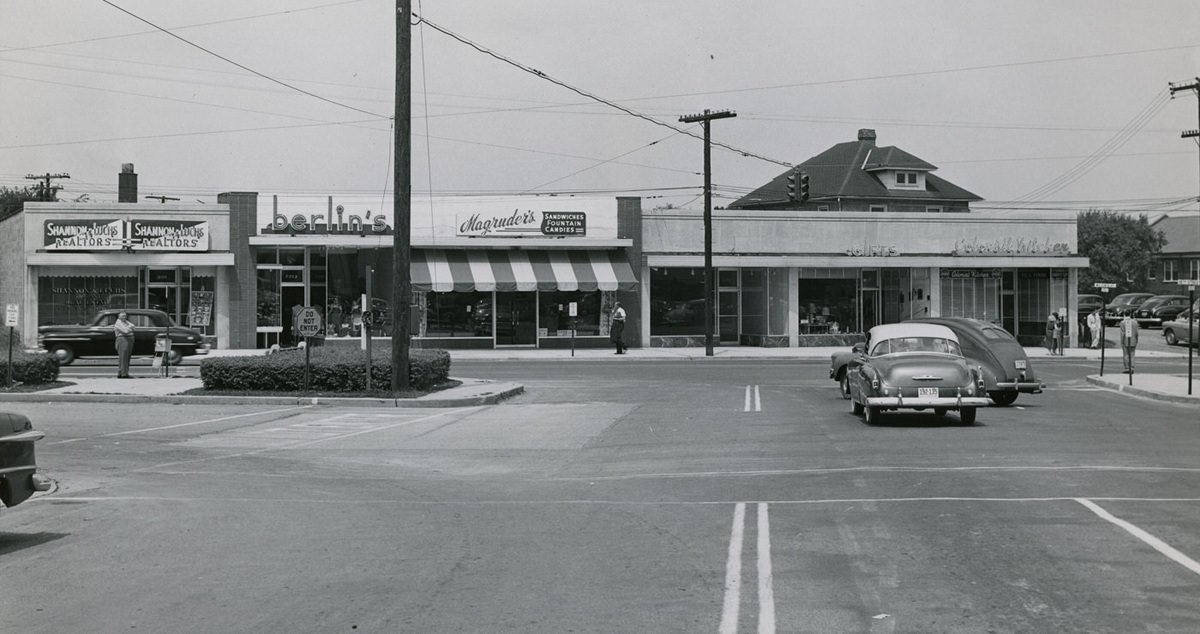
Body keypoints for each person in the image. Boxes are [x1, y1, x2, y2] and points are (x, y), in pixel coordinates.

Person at [113, 311, 135, 378]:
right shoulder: (118, 323)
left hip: (128, 339)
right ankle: (124, 374)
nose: (124, 317)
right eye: (122, 316)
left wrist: (129, 328)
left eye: (125, 316)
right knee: (123, 357)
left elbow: (133, 326)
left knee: (126, 357)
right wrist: (129, 329)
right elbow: (125, 331)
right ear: (119, 316)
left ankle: (121, 372)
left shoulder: (126, 322)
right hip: (123, 339)